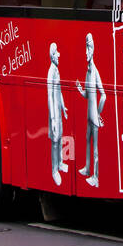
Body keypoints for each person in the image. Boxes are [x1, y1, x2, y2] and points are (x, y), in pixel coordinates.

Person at [76, 32, 106, 188]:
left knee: (95, 147)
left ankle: (96, 177)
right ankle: (87, 168)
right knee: (87, 140)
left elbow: (104, 95)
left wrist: (99, 115)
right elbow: (88, 94)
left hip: (93, 115)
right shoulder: (88, 70)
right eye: (86, 48)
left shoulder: (94, 70)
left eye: (88, 48)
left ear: (93, 50)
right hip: (90, 113)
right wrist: (80, 89)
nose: (86, 52)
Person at [46, 43, 69, 186]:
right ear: (52, 56)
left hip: (58, 112)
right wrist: (53, 118)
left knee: (60, 138)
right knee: (54, 142)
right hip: (54, 114)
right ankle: (54, 171)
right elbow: (50, 95)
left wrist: (64, 107)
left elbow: (59, 91)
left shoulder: (57, 70)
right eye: (57, 53)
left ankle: (60, 163)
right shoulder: (50, 73)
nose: (58, 56)